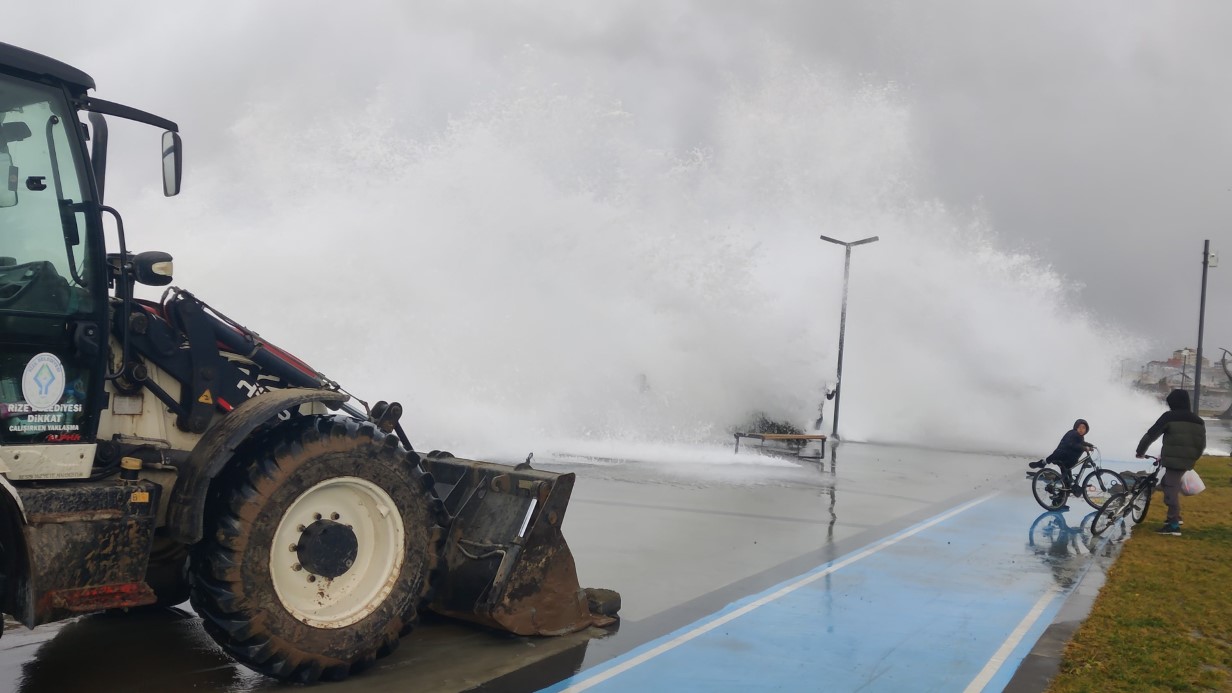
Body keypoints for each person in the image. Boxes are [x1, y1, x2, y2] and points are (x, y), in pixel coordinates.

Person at [1135, 389, 1206, 536]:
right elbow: (1202, 444)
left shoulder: (1169, 417)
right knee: (1167, 483)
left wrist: (1140, 451)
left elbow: (1151, 434)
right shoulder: (1198, 421)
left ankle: (1173, 525)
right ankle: (1176, 518)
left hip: (1173, 460)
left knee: (1170, 491)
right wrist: (1193, 458)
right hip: (1187, 459)